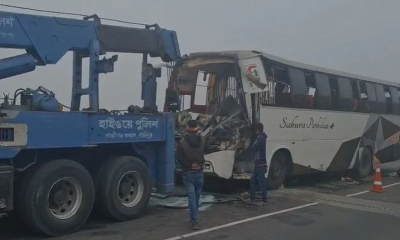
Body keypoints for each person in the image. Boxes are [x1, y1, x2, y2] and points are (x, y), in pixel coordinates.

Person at [176, 119, 205, 230]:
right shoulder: (202, 140)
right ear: (197, 127)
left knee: (191, 197)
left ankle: (194, 221)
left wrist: (189, 164)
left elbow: (178, 157)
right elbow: (204, 151)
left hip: (188, 173)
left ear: (187, 128)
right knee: (197, 196)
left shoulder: (182, 142)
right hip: (200, 172)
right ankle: (194, 219)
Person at [249, 122, 268, 203]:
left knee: (261, 182)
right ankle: (253, 197)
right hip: (259, 164)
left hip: (260, 164)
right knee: (254, 180)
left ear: (257, 130)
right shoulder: (262, 138)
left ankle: (263, 198)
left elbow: (253, 147)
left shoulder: (260, 138)